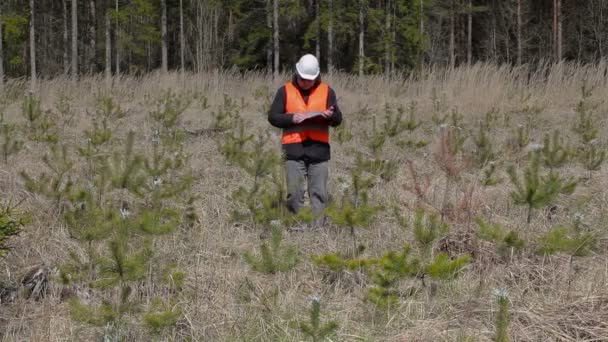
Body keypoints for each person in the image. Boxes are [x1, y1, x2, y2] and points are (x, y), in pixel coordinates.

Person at [267, 54, 343, 226]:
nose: (306, 83)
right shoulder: (284, 91)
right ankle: (296, 227)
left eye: (310, 79)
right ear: (297, 73)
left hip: (319, 150)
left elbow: (338, 120)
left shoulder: (327, 91)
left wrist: (330, 116)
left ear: (316, 76)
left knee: (319, 193)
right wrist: (291, 118)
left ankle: (318, 231)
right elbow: (273, 117)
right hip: (293, 150)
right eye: (303, 79)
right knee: (294, 193)